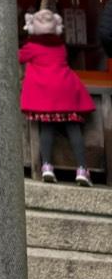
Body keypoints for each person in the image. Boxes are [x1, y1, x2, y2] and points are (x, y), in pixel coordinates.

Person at [19, 9, 95, 186]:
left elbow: (17, 58)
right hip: (67, 90)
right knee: (73, 129)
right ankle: (83, 170)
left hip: (46, 95)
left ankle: (46, 166)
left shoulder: (31, 47)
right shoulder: (61, 46)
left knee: (47, 128)